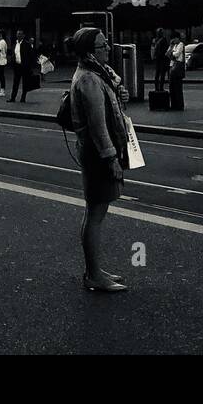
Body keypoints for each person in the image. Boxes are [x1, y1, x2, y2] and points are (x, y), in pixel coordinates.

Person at [65, 27, 130, 294]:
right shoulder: (89, 80)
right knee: (95, 213)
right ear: (91, 52)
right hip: (96, 154)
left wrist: (119, 94)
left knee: (96, 211)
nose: (108, 48)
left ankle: (95, 270)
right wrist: (111, 158)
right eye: (103, 45)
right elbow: (98, 126)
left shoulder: (96, 75)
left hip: (96, 152)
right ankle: (93, 274)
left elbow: (108, 109)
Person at [9, 30, 37, 103]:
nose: (18, 36)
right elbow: (13, 54)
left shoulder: (27, 44)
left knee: (25, 83)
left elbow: (31, 56)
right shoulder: (15, 44)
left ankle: (23, 97)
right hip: (17, 66)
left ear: (23, 36)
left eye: (20, 34)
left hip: (25, 66)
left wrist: (30, 66)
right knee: (15, 82)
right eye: (17, 34)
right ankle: (13, 98)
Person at [167, 35, 186, 110]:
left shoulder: (181, 44)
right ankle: (174, 104)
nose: (174, 40)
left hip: (177, 67)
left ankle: (179, 105)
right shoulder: (174, 45)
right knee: (172, 87)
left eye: (175, 38)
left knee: (178, 87)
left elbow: (177, 54)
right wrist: (171, 47)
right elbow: (167, 54)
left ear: (178, 38)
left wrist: (172, 53)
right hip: (172, 66)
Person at [152, 28, 170, 95]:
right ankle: (161, 88)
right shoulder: (163, 40)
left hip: (157, 59)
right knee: (162, 74)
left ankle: (156, 88)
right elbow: (165, 50)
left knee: (157, 74)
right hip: (163, 59)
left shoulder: (155, 40)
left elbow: (154, 49)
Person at [0, 30, 9, 96]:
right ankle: (2, 90)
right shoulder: (4, 42)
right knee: (1, 76)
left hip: (0, 61)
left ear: (1, 34)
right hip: (3, 60)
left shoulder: (1, 42)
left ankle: (2, 91)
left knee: (1, 76)